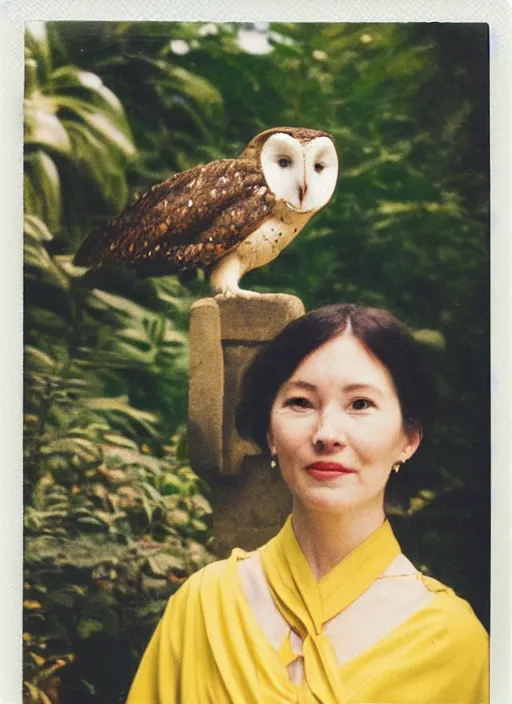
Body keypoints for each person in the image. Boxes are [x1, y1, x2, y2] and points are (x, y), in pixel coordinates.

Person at [126, 303, 489, 703]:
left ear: (409, 439)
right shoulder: (205, 606)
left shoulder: (453, 642)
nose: (327, 433)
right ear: (270, 434)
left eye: (360, 404)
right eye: (301, 402)